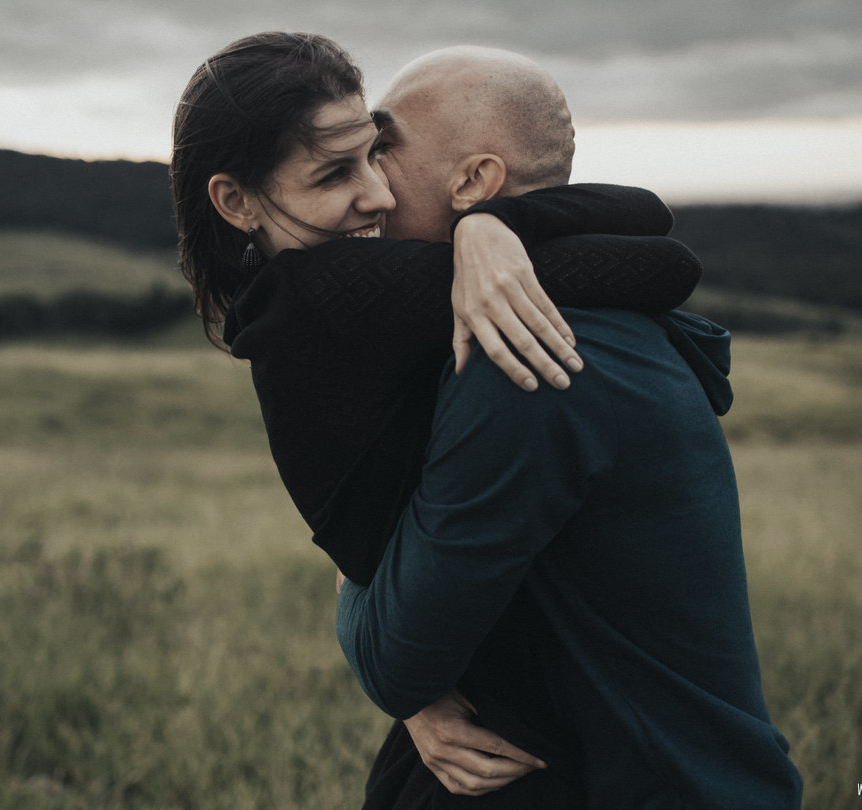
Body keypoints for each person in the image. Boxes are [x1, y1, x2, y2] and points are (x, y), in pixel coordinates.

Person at [170, 32, 704, 807]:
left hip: (478, 686)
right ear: (236, 200)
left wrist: (488, 228)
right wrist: (485, 231)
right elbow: (661, 257)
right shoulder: (317, 295)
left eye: (373, 156)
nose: (378, 195)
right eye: (333, 173)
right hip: (502, 722)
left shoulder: (296, 293)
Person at [335, 47, 804, 808]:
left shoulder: (527, 360)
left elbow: (396, 665)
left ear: (473, 181)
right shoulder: (602, 313)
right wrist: (481, 231)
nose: (365, 180)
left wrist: (353, 581)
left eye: (382, 147)